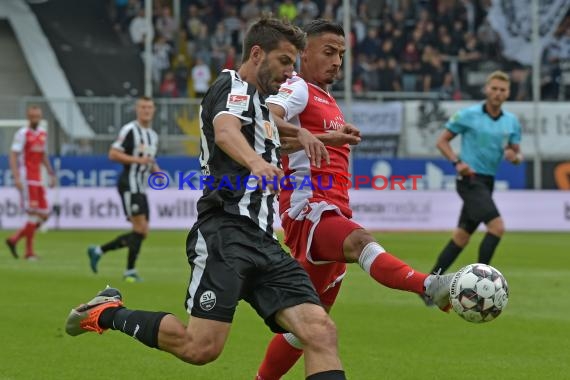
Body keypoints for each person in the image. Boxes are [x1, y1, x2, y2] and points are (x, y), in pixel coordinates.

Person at [66, 18, 348, 380]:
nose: (290, 72)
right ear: (257, 53)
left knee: (320, 332)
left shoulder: (260, 103)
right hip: (225, 233)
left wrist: (318, 137)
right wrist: (255, 163)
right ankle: (106, 312)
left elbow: (271, 128)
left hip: (264, 242)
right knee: (200, 349)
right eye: (284, 61)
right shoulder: (231, 85)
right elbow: (226, 130)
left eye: (293, 63)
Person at [255, 19, 454, 380]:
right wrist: (307, 134)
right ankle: (428, 286)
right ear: (303, 53)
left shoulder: (325, 99)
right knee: (362, 241)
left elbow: (301, 140)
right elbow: (266, 119)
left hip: (330, 211)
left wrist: (333, 136)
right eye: (328, 52)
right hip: (309, 212)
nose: (336, 62)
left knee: (308, 327)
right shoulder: (298, 87)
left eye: (341, 55)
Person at [427, 70, 523, 277]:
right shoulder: (468, 115)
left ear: (508, 93)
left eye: (502, 90)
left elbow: (517, 153)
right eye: (494, 88)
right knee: (497, 227)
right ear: (487, 89)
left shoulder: (511, 121)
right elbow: (441, 141)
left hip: (487, 181)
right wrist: (456, 162)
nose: (498, 93)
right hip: (469, 179)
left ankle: (429, 285)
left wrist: (514, 157)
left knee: (461, 237)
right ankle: (482, 282)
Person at [86, 97, 159, 282]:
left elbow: (147, 159)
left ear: (154, 110)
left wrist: (155, 170)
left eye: (149, 107)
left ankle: (98, 251)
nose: (146, 111)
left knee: (143, 232)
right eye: (143, 107)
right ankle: (129, 271)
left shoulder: (152, 135)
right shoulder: (130, 130)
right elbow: (113, 153)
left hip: (141, 187)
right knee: (139, 227)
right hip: (129, 184)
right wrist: (137, 161)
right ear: (137, 110)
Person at [5, 105, 56, 260]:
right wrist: (16, 177)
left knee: (45, 215)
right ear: (28, 117)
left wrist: (50, 172)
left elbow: (43, 155)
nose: (36, 119)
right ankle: (29, 252)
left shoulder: (42, 134)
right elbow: (13, 155)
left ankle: (14, 239)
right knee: (33, 214)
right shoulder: (22, 134)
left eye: (38, 116)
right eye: (33, 116)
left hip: (38, 179)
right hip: (27, 178)